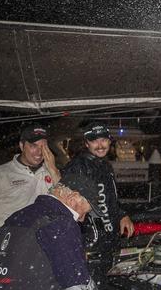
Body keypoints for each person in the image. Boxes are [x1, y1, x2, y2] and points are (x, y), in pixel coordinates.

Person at [0, 174, 101, 290]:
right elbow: (76, 281)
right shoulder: (61, 222)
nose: (82, 219)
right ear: (73, 198)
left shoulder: (15, 218)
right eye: (85, 212)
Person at [0, 124, 60, 265]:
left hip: (45, 254)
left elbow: (66, 206)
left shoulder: (53, 173)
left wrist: (53, 169)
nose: (39, 152)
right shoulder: (0, 174)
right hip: (8, 253)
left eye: (44, 146)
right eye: (34, 146)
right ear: (22, 146)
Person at [63, 122, 135, 288]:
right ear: (86, 143)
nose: (100, 145)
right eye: (94, 141)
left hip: (107, 243)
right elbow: (67, 208)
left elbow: (110, 198)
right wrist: (77, 244)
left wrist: (122, 214)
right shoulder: (78, 166)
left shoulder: (105, 165)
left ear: (110, 142)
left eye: (103, 140)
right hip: (90, 247)